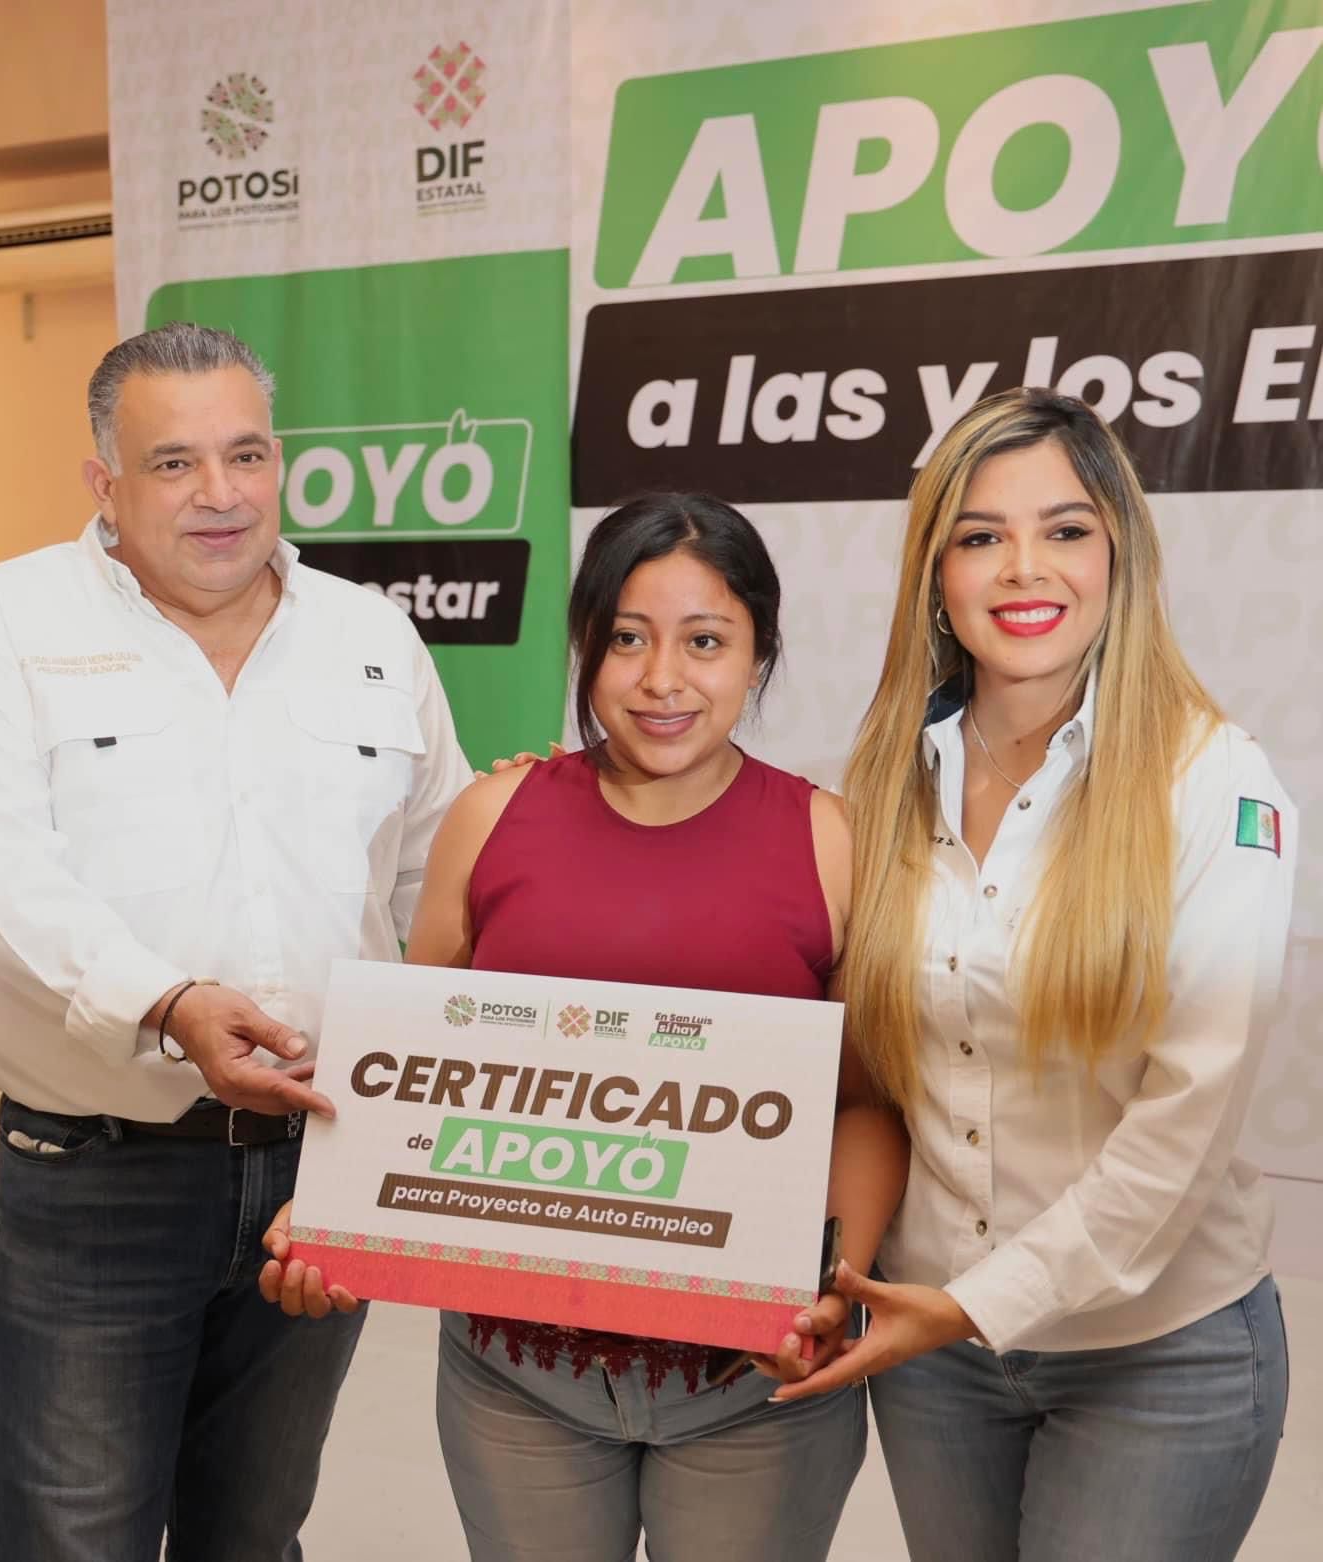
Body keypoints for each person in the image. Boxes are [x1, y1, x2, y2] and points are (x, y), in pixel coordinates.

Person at [262, 493, 910, 1562]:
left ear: (759, 653)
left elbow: (865, 1098)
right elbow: (409, 1065)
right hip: (516, 1379)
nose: (662, 679)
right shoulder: (492, 814)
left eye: (705, 641)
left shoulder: (827, 838)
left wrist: (837, 1283)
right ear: (586, 646)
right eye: (627, 639)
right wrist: (333, 1216)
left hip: (751, 1385)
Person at [0, 322, 469, 1562]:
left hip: (320, 1168)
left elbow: (440, 881)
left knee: (254, 1532)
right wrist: (168, 1001)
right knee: (76, 1536)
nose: (220, 493)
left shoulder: (372, 635)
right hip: (99, 1174)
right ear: (104, 481)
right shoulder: (9, 617)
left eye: (247, 454)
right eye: (173, 463)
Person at [772, 388, 1296, 1562]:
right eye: (979, 535)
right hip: (931, 1355)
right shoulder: (881, 781)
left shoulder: (1214, 782)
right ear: (935, 574)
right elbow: (859, 1070)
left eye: (1064, 529)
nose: (1023, 567)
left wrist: (974, 1301)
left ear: (1118, 555)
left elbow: (1185, 1123)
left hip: (1156, 1355)